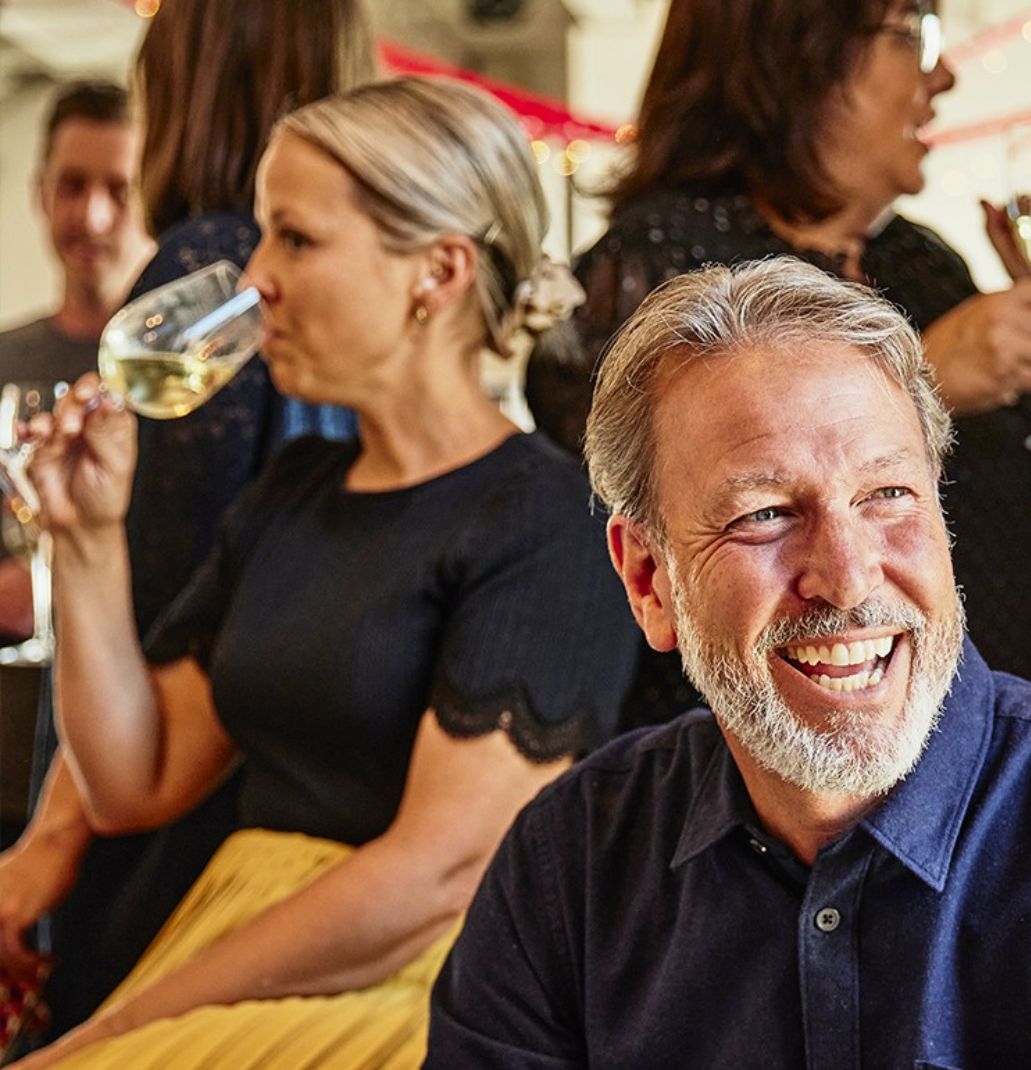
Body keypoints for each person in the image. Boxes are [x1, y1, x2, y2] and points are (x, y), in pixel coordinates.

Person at [428, 258, 1031, 1069]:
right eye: (764, 515)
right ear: (649, 582)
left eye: (887, 495)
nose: (849, 576)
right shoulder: (570, 866)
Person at [7, 76, 635, 1069]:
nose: (255, 277)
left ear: (437, 271)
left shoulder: (549, 519)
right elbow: (134, 780)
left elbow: (436, 876)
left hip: (412, 988)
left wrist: (123, 1027)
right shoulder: (293, 492)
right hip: (238, 947)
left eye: (294, 239)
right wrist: (84, 540)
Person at [526, 0, 1031, 728]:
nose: (942, 73)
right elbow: (601, 475)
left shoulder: (918, 264)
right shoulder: (659, 260)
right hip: (777, 777)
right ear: (793, 50)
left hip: (1004, 751)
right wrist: (926, 372)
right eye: (911, 34)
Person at [0, 0, 378, 1041]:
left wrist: (47, 841)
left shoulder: (211, 272)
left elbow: (157, 614)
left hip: (163, 798)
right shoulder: (322, 296)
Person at [0, 80, 151, 640]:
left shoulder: (175, 377)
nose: (92, 217)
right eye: (72, 185)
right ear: (40, 193)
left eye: (119, 189)